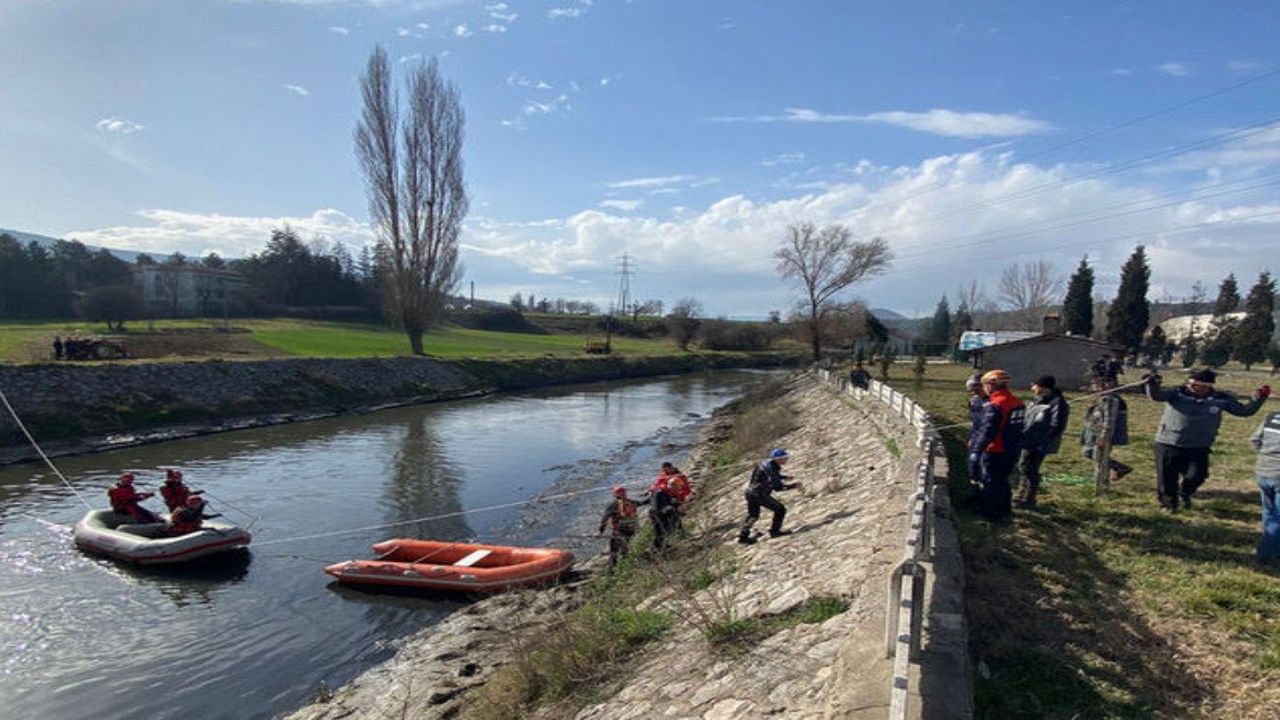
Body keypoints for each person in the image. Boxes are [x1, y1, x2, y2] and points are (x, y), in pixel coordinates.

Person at [1144, 369, 1269, 511]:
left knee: (1198, 475)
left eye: (1196, 385)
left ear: (1208, 386)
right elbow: (1156, 396)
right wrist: (1152, 384)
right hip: (1169, 443)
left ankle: (1184, 493)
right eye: (1190, 384)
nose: (1192, 387)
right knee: (1167, 478)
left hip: (1199, 446)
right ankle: (1169, 505)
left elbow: (1244, 411)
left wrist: (1259, 399)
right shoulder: (1177, 393)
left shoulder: (1221, 398)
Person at [972, 369, 1025, 521]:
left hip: (996, 448)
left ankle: (992, 514)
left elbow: (988, 431)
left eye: (985, 385)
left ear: (991, 385)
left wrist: (977, 450)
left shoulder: (996, 404)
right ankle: (1005, 510)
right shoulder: (1018, 402)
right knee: (1003, 480)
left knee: (990, 481)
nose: (984, 388)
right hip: (1012, 448)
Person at [1017, 375, 1070, 508]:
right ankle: (1021, 494)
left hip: (1040, 442)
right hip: (1028, 440)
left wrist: (1044, 441)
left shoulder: (1057, 403)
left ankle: (1029, 498)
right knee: (1023, 466)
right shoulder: (1037, 400)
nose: (1032, 388)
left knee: (1030, 468)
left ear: (1042, 387)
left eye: (1034, 385)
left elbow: (1057, 425)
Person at [738, 448, 801, 544]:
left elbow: (771, 475)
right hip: (760, 494)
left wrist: (784, 477)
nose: (787, 459)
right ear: (778, 459)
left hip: (750, 492)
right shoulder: (772, 468)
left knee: (753, 515)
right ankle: (775, 532)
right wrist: (793, 486)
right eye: (785, 458)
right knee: (780, 509)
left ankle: (743, 537)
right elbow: (778, 487)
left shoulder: (765, 463)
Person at [1081, 377, 1132, 483]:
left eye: (1095, 384)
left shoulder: (1109, 400)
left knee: (1096, 455)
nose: (1092, 387)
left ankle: (1105, 480)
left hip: (1103, 435)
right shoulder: (1101, 398)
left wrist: (1104, 437)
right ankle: (1113, 473)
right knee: (1092, 454)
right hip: (1095, 433)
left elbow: (1109, 421)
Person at [1249, 409, 1280, 562]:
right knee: (1278, 517)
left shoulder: (1272, 418)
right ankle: (1265, 554)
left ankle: (1273, 546)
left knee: (1269, 512)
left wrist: (1265, 458)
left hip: (1263, 472)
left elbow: (1254, 440)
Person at [598, 486, 640, 569]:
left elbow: (605, 517)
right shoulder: (631, 502)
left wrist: (601, 529)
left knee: (614, 550)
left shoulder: (613, 505)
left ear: (615, 495)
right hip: (631, 529)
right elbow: (643, 502)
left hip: (618, 530)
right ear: (625, 494)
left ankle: (612, 568)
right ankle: (625, 564)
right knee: (626, 545)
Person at [965, 374, 988, 490]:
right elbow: (974, 422)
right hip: (976, 437)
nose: (975, 393)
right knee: (972, 465)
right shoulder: (974, 401)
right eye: (973, 391)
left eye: (977, 390)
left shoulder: (993, 403)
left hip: (987, 440)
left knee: (984, 467)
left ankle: (985, 494)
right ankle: (974, 490)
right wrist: (971, 438)